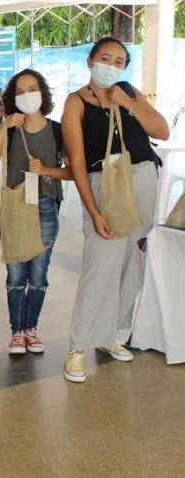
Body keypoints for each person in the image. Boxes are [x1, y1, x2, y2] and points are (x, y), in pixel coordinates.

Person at [61, 37, 169, 382]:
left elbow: (161, 131)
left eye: (119, 61)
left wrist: (129, 103)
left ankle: (114, 336)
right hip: (103, 183)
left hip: (142, 178)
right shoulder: (75, 102)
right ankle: (77, 348)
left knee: (132, 263)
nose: (111, 65)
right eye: (104, 58)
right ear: (90, 61)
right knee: (100, 266)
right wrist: (93, 212)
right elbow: (77, 162)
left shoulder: (128, 92)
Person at [0, 69, 72, 354]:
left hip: (45, 208)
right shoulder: (11, 130)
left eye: (32, 89)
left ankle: (32, 328)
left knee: (38, 275)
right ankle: (17, 332)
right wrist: (4, 127)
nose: (27, 95)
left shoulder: (56, 130)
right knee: (16, 275)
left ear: (43, 93)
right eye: (19, 91)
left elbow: (72, 172)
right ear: (12, 98)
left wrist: (46, 170)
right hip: (15, 208)